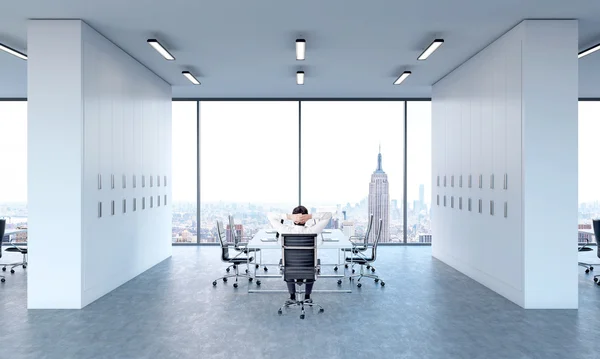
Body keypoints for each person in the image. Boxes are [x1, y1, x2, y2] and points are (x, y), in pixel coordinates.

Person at [267, 206, 332, 303]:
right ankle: (307, 297)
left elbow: (270, 216)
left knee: (286, 262)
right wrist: (310, 216)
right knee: (314, 263)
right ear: (306, 219)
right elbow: (328, 215)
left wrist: (289, 217)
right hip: (309, 269)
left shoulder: (285, 231)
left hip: (290, 269)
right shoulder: (312, 231)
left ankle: (292, 296)